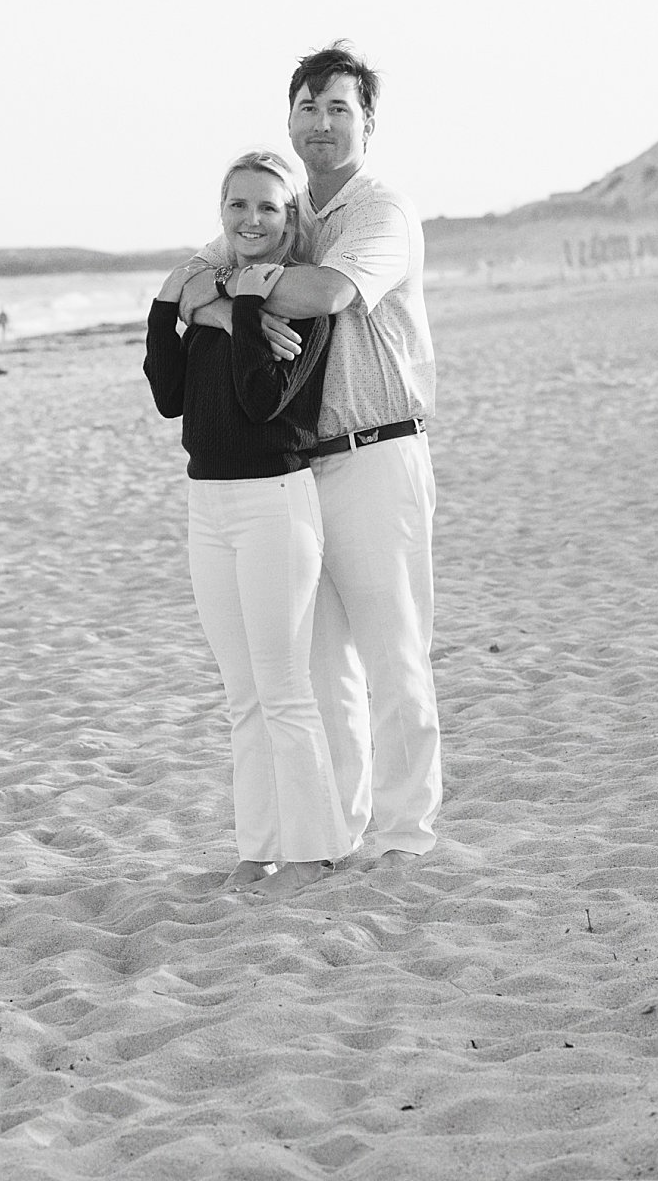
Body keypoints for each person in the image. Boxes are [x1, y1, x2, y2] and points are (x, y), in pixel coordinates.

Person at [180, 44, 441, 863]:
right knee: (322, 666)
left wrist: (241, 288)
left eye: (338, 109)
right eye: (306, 107)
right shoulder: (286, 212)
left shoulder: (377, 212)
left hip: (374, 452)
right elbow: (186, 284)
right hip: (293, 469)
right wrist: (228, 293)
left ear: (366, 123)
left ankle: (406, 837)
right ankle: (344, 829)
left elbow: (327, 292)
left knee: (392, 651)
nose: (320, 123)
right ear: (287, 118)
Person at [144, 151, 353, 894]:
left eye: (268, 207)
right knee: (242, 695)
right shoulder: (218, 299)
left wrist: (232, 311)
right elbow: (169, 395)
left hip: (273, 503)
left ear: (289, 217)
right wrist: (171, 306)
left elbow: (262, 401)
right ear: (221, 213)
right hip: (208, 507)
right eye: (237, 206)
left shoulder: (299, 311)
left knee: (282, 688)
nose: (251, 220)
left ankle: (311, 848)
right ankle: (256, 847)